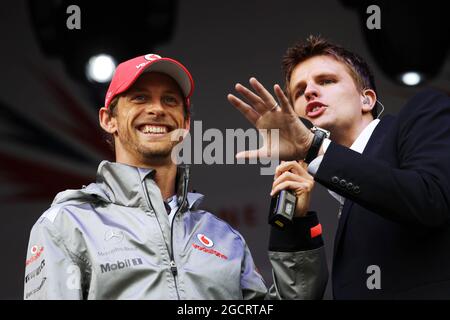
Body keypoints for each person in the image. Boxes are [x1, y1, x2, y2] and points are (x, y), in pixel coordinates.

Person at [23, 53, 328, 299]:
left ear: (186, 123)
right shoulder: (67, 224)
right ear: (108, 120)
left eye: (170, 100)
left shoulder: (224, 238)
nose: (157, 109)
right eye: (140, 98)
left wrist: (296, 229)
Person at [228, 35, 450, 299]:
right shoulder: (338, 189)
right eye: (299, 91)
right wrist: (296, 223)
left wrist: (315, 148)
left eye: (326, 81)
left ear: (366, 100)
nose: (309, 91)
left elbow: (431, 198)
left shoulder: (422, 112)